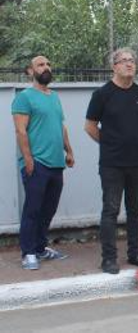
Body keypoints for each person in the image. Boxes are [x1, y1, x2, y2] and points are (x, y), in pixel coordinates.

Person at [85, 48, 138, 274]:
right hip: (112, 164)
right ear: (114, 66)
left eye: (132, 60)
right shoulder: (102, 94)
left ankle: (135, 254)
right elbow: (90, 127)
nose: (129, 64)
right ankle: (109, 258)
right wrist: (111, 144)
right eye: (124, 61)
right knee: (111, 210)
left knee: (135, 211)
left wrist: (130, 140)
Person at [12, 55, 74, 271]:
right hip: (36, 163)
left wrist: (69, 150)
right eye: (40, 65)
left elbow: (61, 126)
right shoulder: (24, 97)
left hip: (56, 163)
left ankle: (40, 247)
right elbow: (20, 131)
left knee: (49, 209)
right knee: (33, 209)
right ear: (30, 72)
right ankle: (28, 252)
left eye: (48, 63)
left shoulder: (54, 96)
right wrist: (28, 160)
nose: (46, 67)